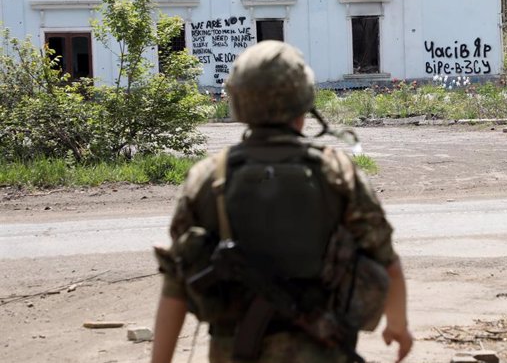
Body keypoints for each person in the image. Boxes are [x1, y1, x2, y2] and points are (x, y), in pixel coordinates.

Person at [151, 41, 413, 363]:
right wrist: (398, 327)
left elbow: (175, 286)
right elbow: (389, 264)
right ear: (304, 102)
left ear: (237, 99)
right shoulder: (337, 174)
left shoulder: (208, 178)